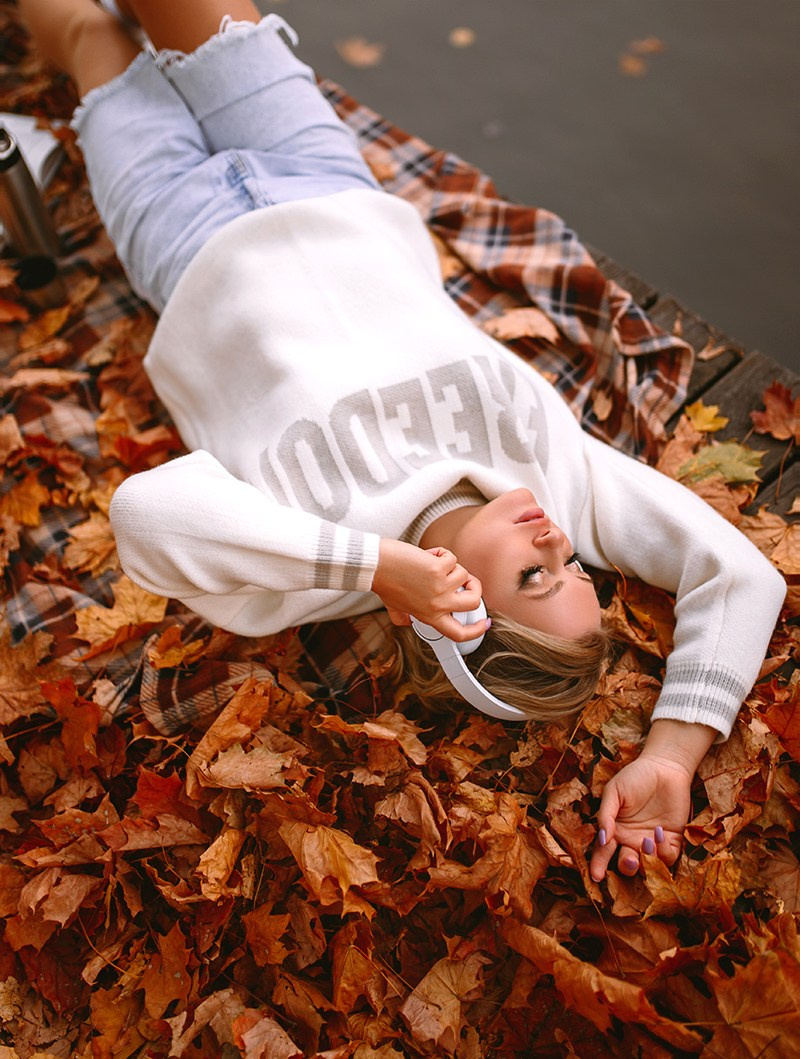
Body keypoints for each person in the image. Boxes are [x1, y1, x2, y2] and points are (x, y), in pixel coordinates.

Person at [19, 0, 785, 884]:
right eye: (575, 569)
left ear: (447, 607)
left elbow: (145, 512)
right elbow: (739, 573)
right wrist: (674, 753)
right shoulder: (563, 484)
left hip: (181, 241)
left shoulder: (312, 575)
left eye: (534, 576)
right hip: (330, 180)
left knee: (89, 33)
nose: (558, 542)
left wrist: (370, 566)